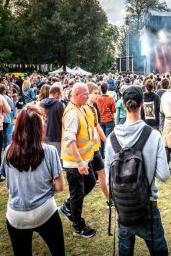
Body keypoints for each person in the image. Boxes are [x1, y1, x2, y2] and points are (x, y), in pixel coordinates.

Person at [105, 85, 170, 255]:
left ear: (124, 105)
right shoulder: (153, 135)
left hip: (124, 207)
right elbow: (164, 175)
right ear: (142, 103)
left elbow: (107, 181)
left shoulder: (111, 138)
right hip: (147, 206)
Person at [0, 105, 65, 256]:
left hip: (16, 215)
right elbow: (60, 186)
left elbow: (8, 186)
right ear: (39, 128)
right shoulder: (49, 151)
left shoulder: (8, 150)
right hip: (45, 211)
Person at [58, 83, 97, 238]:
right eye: (85, 94)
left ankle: (67, 206)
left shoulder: (80, 108)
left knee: (90, 182)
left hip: (83, 160)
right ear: (76, 94)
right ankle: (78, 227)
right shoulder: (72, 113)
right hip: (74, 163)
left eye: (88, 94)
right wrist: (79, 162)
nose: (87, 96)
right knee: (77, 194)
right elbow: (69, 139)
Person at [86, 82, 109, 203]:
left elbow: (97, 126)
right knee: (87, 181)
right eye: (95, 93)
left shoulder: (94, 108)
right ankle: (69, 204)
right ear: (87, 93)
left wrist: (106, 141)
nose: (97, 96)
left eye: (98, 93)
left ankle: (109, 199)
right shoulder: (83, 108)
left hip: (95, 148)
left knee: (102, 173)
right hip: (86, 149)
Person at [39, 84, 65, 156]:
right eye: (59, 95)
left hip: (44, 135)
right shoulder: (59, 104)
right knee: (56, 159)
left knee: (46, 158)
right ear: (56, 94)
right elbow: (63, 120)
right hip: (56, 136)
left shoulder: (41, 103)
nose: (59, 97)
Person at [97, 82, 116, 157]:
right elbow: (114, 110)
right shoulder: (111, 98)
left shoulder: (98, 99)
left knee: (101, 139)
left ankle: (102, 155)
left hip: (101, 120)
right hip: (109, 120)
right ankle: (109, 154)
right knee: (108, 139)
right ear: (107, 89)